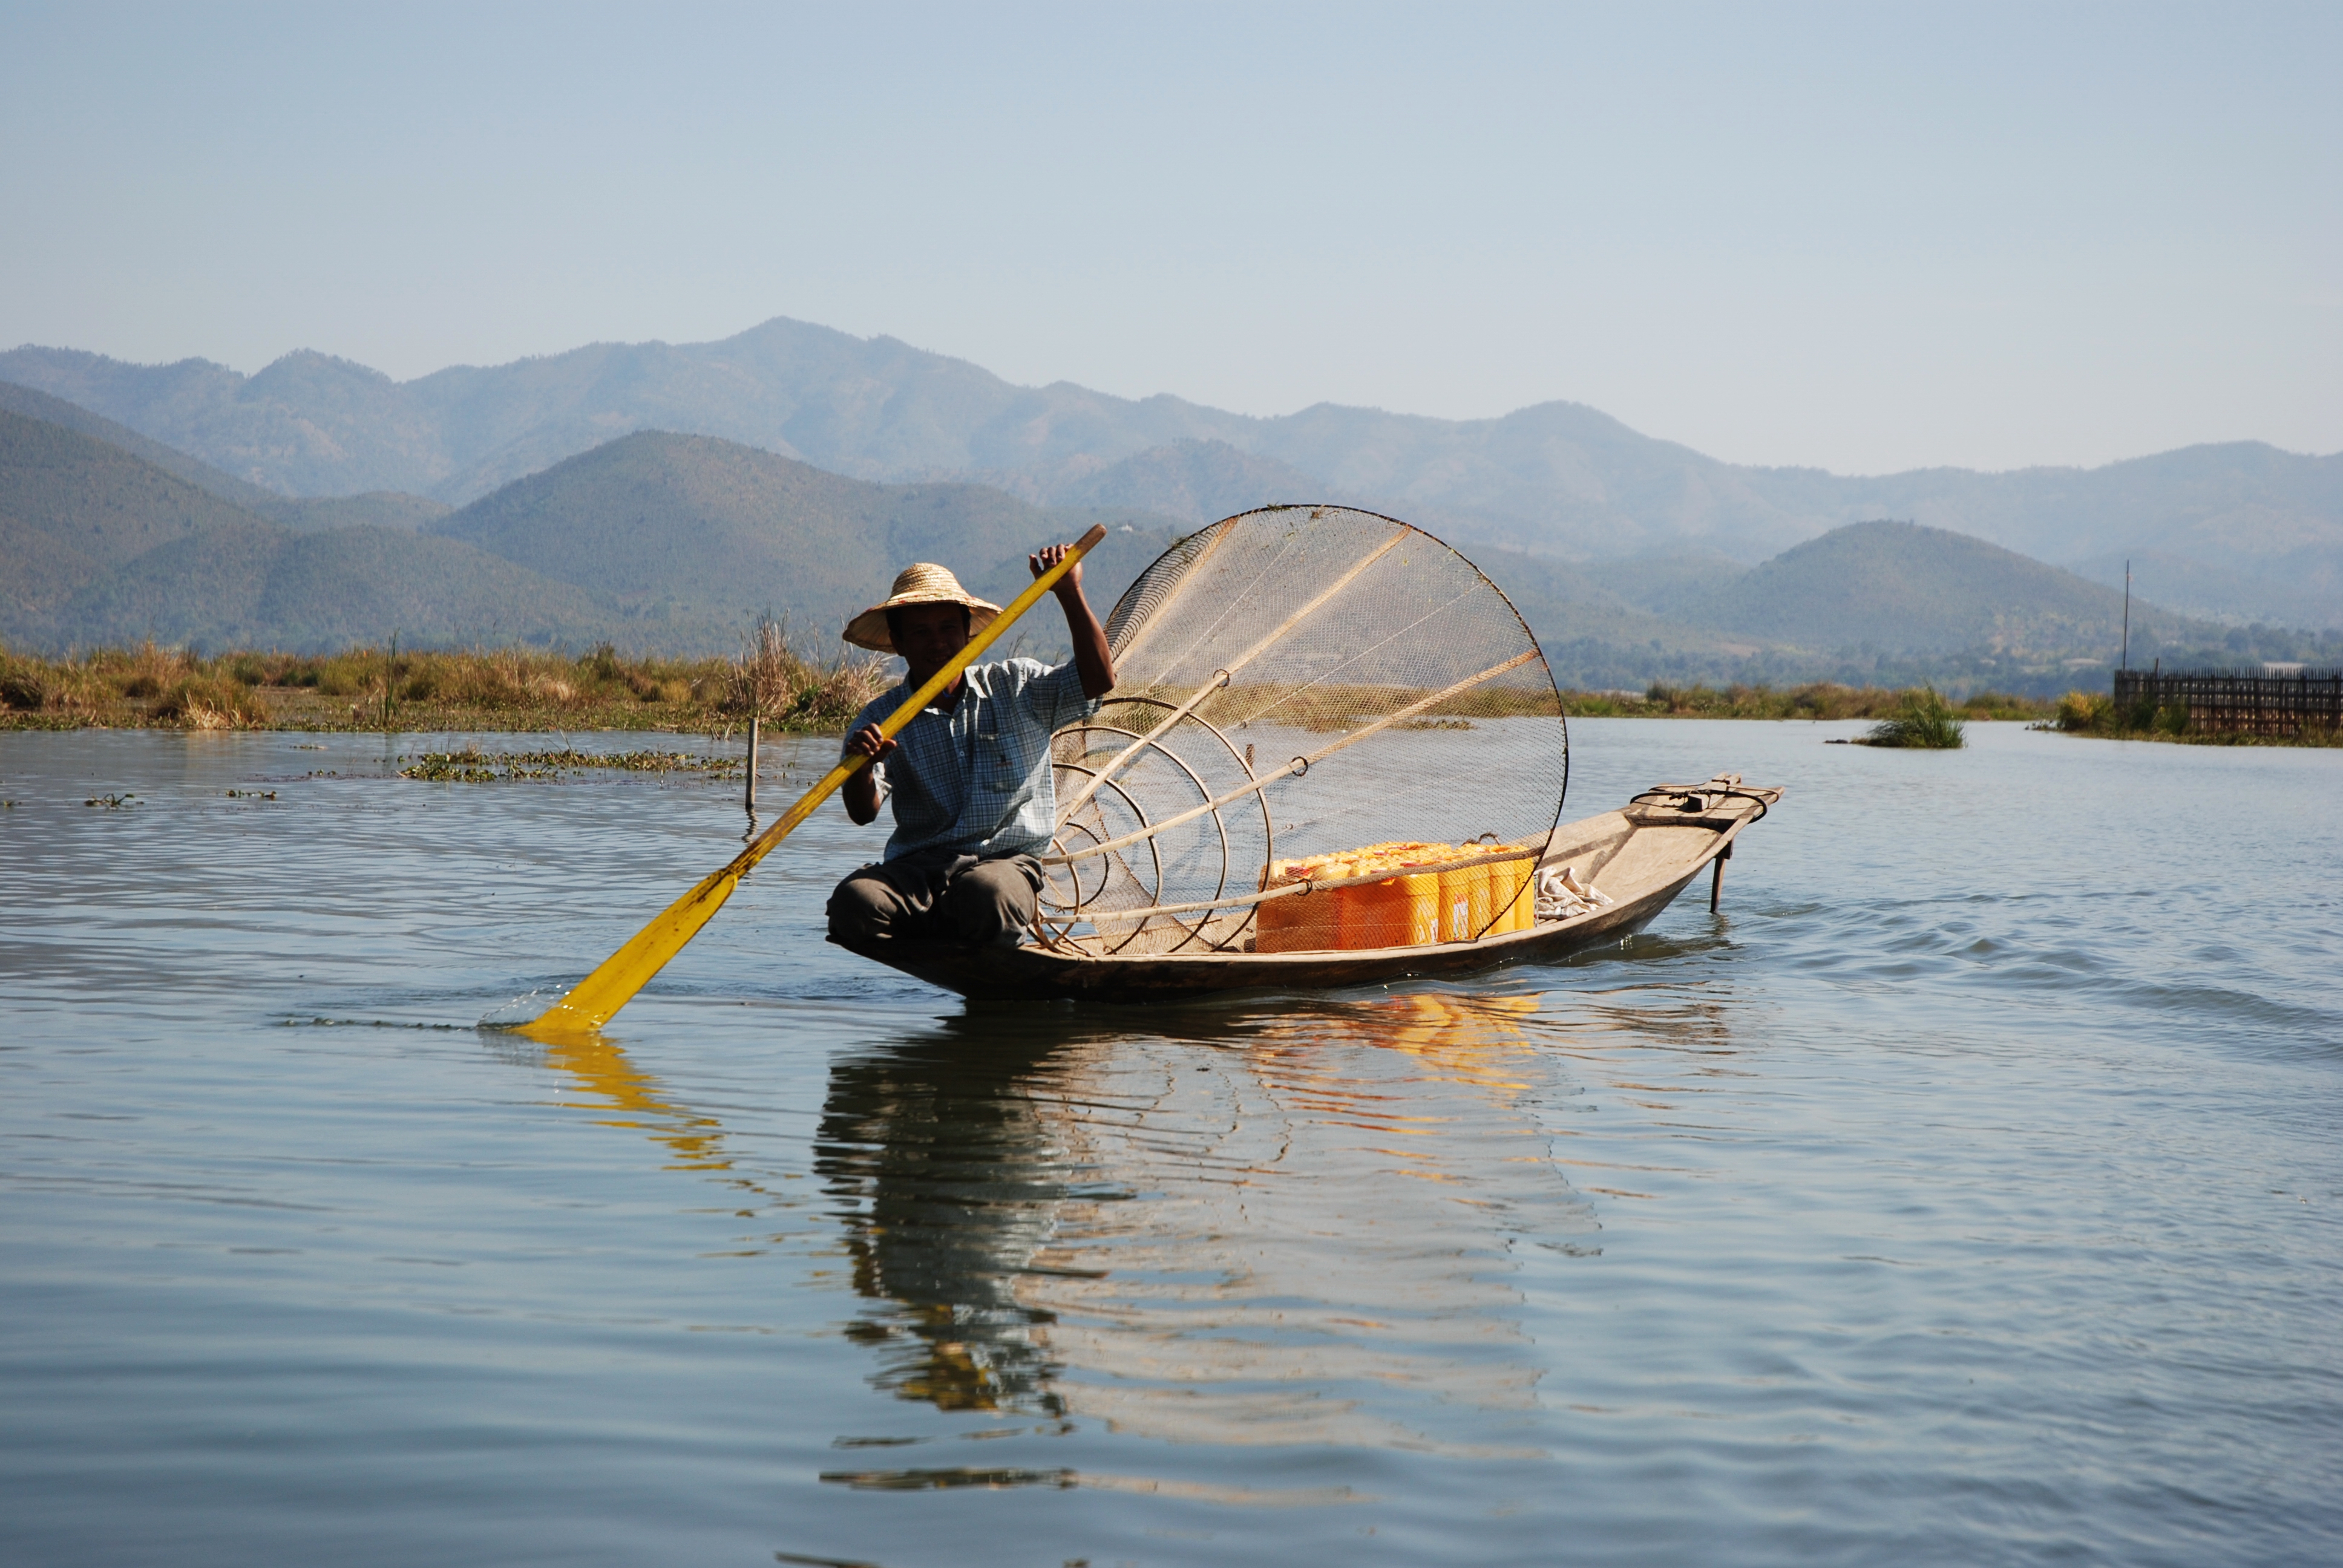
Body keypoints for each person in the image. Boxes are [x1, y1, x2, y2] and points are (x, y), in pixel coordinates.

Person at [824, 543, 1114, 948]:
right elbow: (862, 813)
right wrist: (860, 768)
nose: (938, 643)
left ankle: (962, 929)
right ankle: (940, 932)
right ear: (899, 642)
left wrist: (1068, 591)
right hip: (919, 870)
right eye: (921, 632)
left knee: (985, 896)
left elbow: (1098, 680)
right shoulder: (881, 720)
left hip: (1005, 867)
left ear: (968, 634)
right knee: (853, 903)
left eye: (948, 629)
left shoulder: (1017, 686)